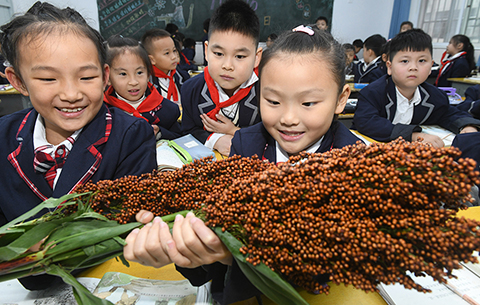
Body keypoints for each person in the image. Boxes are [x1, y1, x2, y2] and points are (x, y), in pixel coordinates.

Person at [123, 25, 363, 305]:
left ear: (341, 99)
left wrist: (239, 253)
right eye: (272, 101)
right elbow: (217, 242)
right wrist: (195, 247)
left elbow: (334, 261)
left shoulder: (353, 162)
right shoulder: (246, 146)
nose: (287, 118)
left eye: (308, 103)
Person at [0, 1, 156, 290]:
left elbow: (128, 224)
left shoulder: (131, 135)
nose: (71, 94)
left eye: (87, 77)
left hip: (108, 284)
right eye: (48, 78)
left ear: (105, 76)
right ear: (18, 81)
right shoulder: (3, 137)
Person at [351, 29, 480, 147]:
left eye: (422, 61)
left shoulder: (435, 96)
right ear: (389, 67)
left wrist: (466, 126)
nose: (414, 67)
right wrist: (412, 136)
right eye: (405, 61)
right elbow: (366, 121)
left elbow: (448, 113)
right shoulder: (373, 93)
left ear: (431, 66)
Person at [180, 0, 262, 156]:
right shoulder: (191, 89)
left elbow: (275, 135)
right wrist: (215, 140)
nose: (227, 65)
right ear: (206, 51)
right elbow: (187, 132)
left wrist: (235, 132)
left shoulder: (268, 91)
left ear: (256, 58)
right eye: (218, 54)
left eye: (239, 56)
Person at [103, 34, 181, 140]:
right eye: (123, 74)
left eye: (139, 72)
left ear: (148, 73)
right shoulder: (102, 112)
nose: (133, 82)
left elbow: (180, 137)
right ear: (107, 77)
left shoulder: (167, 110)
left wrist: (159, 133)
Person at [141, 28, 188, 106]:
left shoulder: (183, 77)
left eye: (174, 51)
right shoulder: (146, 83)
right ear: (151, 59)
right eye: (167, 53)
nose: (174, 57)